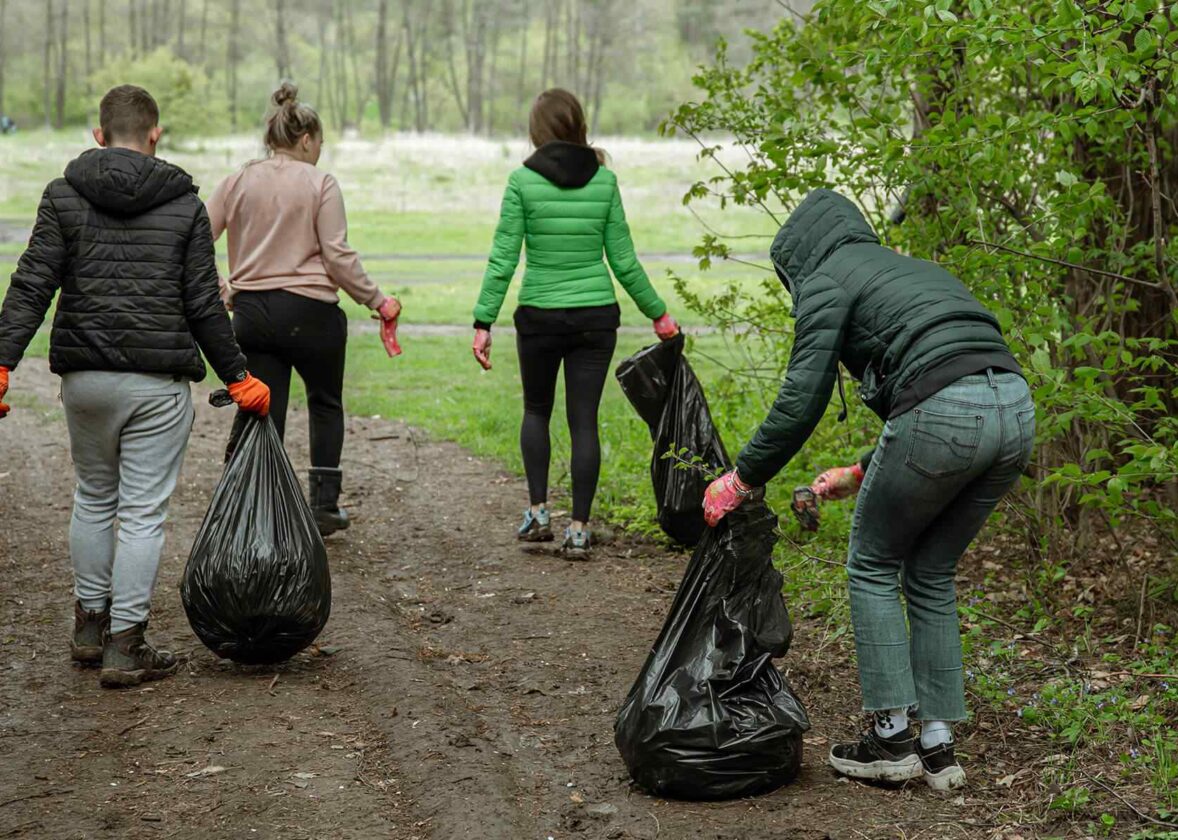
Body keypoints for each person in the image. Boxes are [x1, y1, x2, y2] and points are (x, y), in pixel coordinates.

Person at [702, 189, 1033, 791]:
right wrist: (859, 471)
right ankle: (937, 748)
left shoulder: (827, 280)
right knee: (931, 570)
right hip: (1015, 411)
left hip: (945, 414)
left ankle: (890, 739)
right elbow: (953, 378)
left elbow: (802, 399)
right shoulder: (915, 269)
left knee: (872, 563)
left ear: (795, 261)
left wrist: (741, 476)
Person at [0, 85, 271, 688]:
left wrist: (2, 360)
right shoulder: (185, 206)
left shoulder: (62, 196)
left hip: (86, 381)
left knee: (94, 498)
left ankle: (89, 628)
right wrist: (240, 377)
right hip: (157, 385)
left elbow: (32, 285)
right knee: (143, 514)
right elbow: (203, 306)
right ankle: (128, 644)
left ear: (98, 136)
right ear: (156, 135)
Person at [471, 88, 679, 558]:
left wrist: (484, 321)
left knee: (536, 410)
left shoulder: (521, 182)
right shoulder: (604, 182)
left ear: (537, 131)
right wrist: (658, 313)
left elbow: (503, 259)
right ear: (579, 125)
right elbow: (623, 260)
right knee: (584, 420)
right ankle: (580, 529)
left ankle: (539, 513)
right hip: (595, 318)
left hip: (540, 317)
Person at [206, 82, 402, 537]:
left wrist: (223, 288)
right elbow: (336, 254)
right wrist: (377, 299)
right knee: (326, 404)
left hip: (253, 314)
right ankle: (324, 508)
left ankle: (257, 505)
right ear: (307, 139)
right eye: (320, 144)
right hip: (314, 315)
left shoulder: (237, 180)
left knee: (262, 410)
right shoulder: (321, 183)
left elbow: (195, 237)